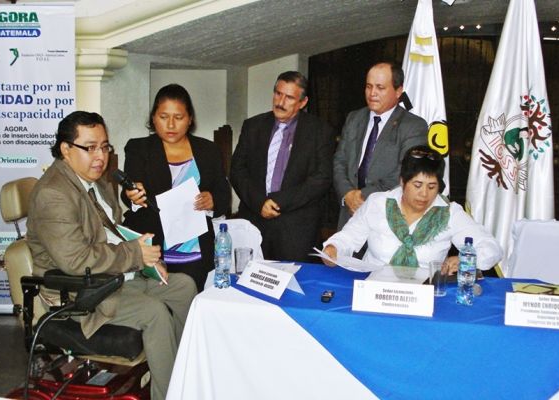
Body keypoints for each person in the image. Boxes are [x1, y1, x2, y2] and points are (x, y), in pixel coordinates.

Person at [27, 111, 197, 400]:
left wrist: (147, 256)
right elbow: (75, 260)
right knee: (154, 313)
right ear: (66, 149)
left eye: (104, 146)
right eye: (90, 147)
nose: (100, 156)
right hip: (82, 292)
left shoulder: (98, 182)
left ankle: (186, 379)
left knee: (185, 288)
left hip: (113, 277)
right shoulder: (53, 193)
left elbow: (114, 230)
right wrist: (134, 254)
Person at [322, 145, 503, 272]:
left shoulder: (449, 212)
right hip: (374, 289)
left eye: (432, 187)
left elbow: (491, 249)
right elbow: (348, 238)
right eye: (417, 185)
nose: (424, 194)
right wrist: (333, 249)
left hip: (425, 295)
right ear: (402, 182)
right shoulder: (378, 203)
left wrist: (465, 260)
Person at [122, 84, 230, 292]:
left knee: (190, 311)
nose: (171, 124)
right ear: (153, 118)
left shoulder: (208, 150)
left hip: (195, 250)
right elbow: (129, 190)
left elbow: (224, 195)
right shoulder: (138, 148)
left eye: (178, 117)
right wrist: (133, 196)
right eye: (163, 117)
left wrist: (213, 200)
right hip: (154, 250)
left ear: (190, 119)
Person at [230, 71, 334, 262]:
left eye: (289, 97)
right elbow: (237, 169)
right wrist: (259, 202)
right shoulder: (253, 126)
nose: (280, 102)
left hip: (295, 230)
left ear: (303, 103)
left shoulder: (320, 132)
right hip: (254, 221)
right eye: (278, 93)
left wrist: (278, 202)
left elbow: (321, 179)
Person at [333, 62, 428, 230]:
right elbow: (339, 161)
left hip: (386, 220)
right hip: (349, 215)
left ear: (398, 91)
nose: (372, 93)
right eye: (369, 87)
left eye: (380, 88)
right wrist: (347, 194)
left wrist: (363, 196)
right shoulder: (354, 118)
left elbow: (407, 170)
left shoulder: (413, 126)